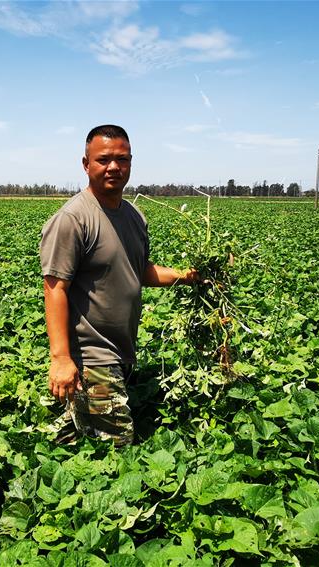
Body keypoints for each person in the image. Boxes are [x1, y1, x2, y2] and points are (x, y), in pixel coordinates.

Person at [39, 124, 197, 446]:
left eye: (122, 159)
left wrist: (188, 276)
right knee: (118, 450)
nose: (114, 167)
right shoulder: (73, 219)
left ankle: (62, 424)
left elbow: (139, 271)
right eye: (104, 159)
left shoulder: (135, 217)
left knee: (76, 436)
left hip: (123, 349)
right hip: (91, 355)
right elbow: (55, 288)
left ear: (130, 162)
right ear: (86, 164)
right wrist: (61, 359)